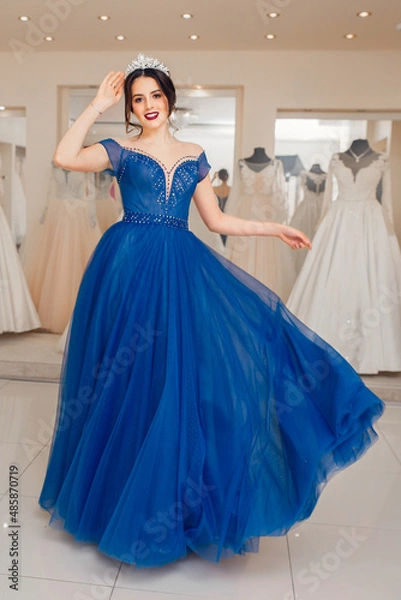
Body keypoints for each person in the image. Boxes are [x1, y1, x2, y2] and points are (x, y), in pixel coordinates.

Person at [39, 54, 384, 568]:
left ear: (170, 100)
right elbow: (64, 156)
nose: (148, 105)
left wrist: (273, 228)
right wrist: (95, 105)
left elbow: (218, 219)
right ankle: (116, 501)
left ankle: (166, 505)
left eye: (156, 95)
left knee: (175, 380)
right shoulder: (120, 150)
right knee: (125, 380)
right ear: (129, 108)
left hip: (179, 269)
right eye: (138, 99)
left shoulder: (195, 154)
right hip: (126, 268)